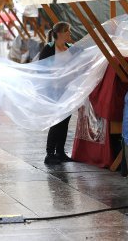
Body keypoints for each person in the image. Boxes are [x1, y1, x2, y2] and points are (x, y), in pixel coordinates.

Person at [39, 21, 74, 165]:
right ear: (60, 34)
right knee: (57, 121)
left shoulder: (71, 48)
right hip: (54, 91)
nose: (70, 34)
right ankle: (50, 153)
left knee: (65, 121)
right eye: (68, 32)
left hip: (68, 90)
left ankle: (60, 151)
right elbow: (41, 69)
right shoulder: (49, 49)